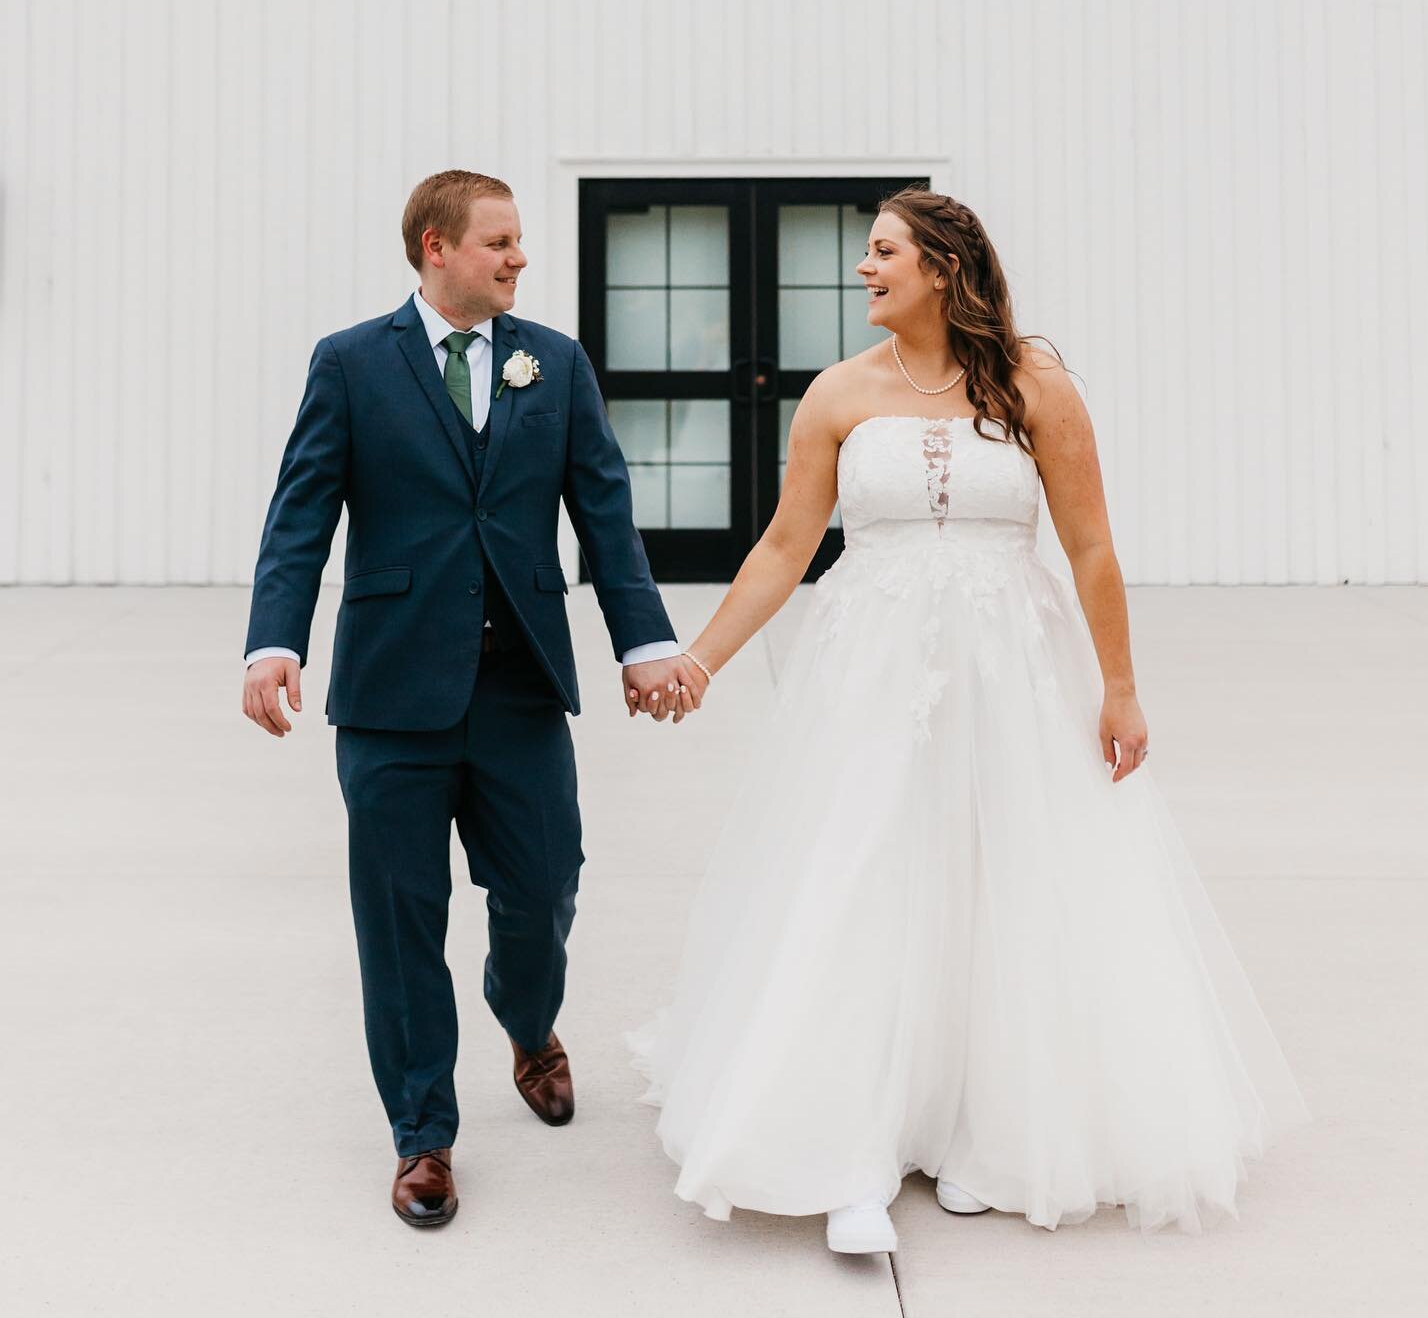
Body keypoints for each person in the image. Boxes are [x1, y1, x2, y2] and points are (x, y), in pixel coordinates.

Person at [631, 184, 1309, 1254]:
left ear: (943, 268)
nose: (864, 268)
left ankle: (988, 1134)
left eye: (884, 251)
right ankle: (846, 1148)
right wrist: (702, 661)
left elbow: (1090, 547)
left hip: (1013, 670)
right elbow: (783, 545)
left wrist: (1120, 688)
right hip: (871, 673)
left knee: (1010, 878)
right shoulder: (838, 395)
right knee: (864, 873)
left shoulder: (1036, 384)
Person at [241, 169, 707, 1228]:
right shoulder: (353, 364)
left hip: (519, 688)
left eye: (520, 242)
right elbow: (301, 511)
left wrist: (644, 641)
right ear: (435, 247)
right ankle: (423, 1137)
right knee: (400, 919)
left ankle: (526, 1018)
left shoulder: (558, 363)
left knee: (543, 889)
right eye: (499, 242)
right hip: (391, 692)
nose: (520, 259)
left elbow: (605, 510)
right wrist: (274, 641)